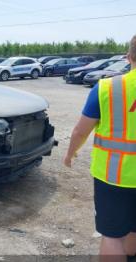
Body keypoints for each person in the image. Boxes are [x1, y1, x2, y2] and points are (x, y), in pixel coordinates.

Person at [64, 35, 136, 262]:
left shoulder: (108, 87)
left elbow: (80, 131)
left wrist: (70, 153)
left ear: (129, 56)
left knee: (112, 235)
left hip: (114, 177)